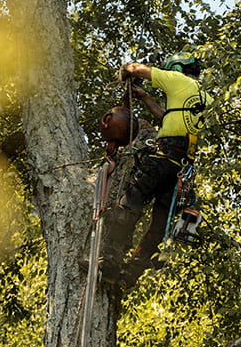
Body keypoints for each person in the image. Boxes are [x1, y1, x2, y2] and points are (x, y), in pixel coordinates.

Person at [82, 52, 213, 289]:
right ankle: (130, 273)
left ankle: (110, 261)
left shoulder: (177, 79)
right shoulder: (204, 97)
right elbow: (167, 118)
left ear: (177, 69)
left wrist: (126, 70)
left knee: (130, 200)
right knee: (159, 223)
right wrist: (144, 98)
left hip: (165, 155)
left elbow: (137, 69)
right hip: (183, 166)